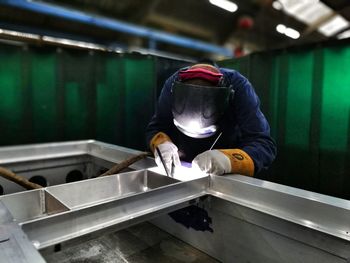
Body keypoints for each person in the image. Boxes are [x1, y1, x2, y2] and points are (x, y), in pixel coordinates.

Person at [146, 63, 276, 177]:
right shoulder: (172, 86)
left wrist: (228, 160)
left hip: (224, 169)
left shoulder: (239, 88)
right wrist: (162, 144)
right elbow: (156, 128)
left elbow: (264, 144)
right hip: (182, 160)